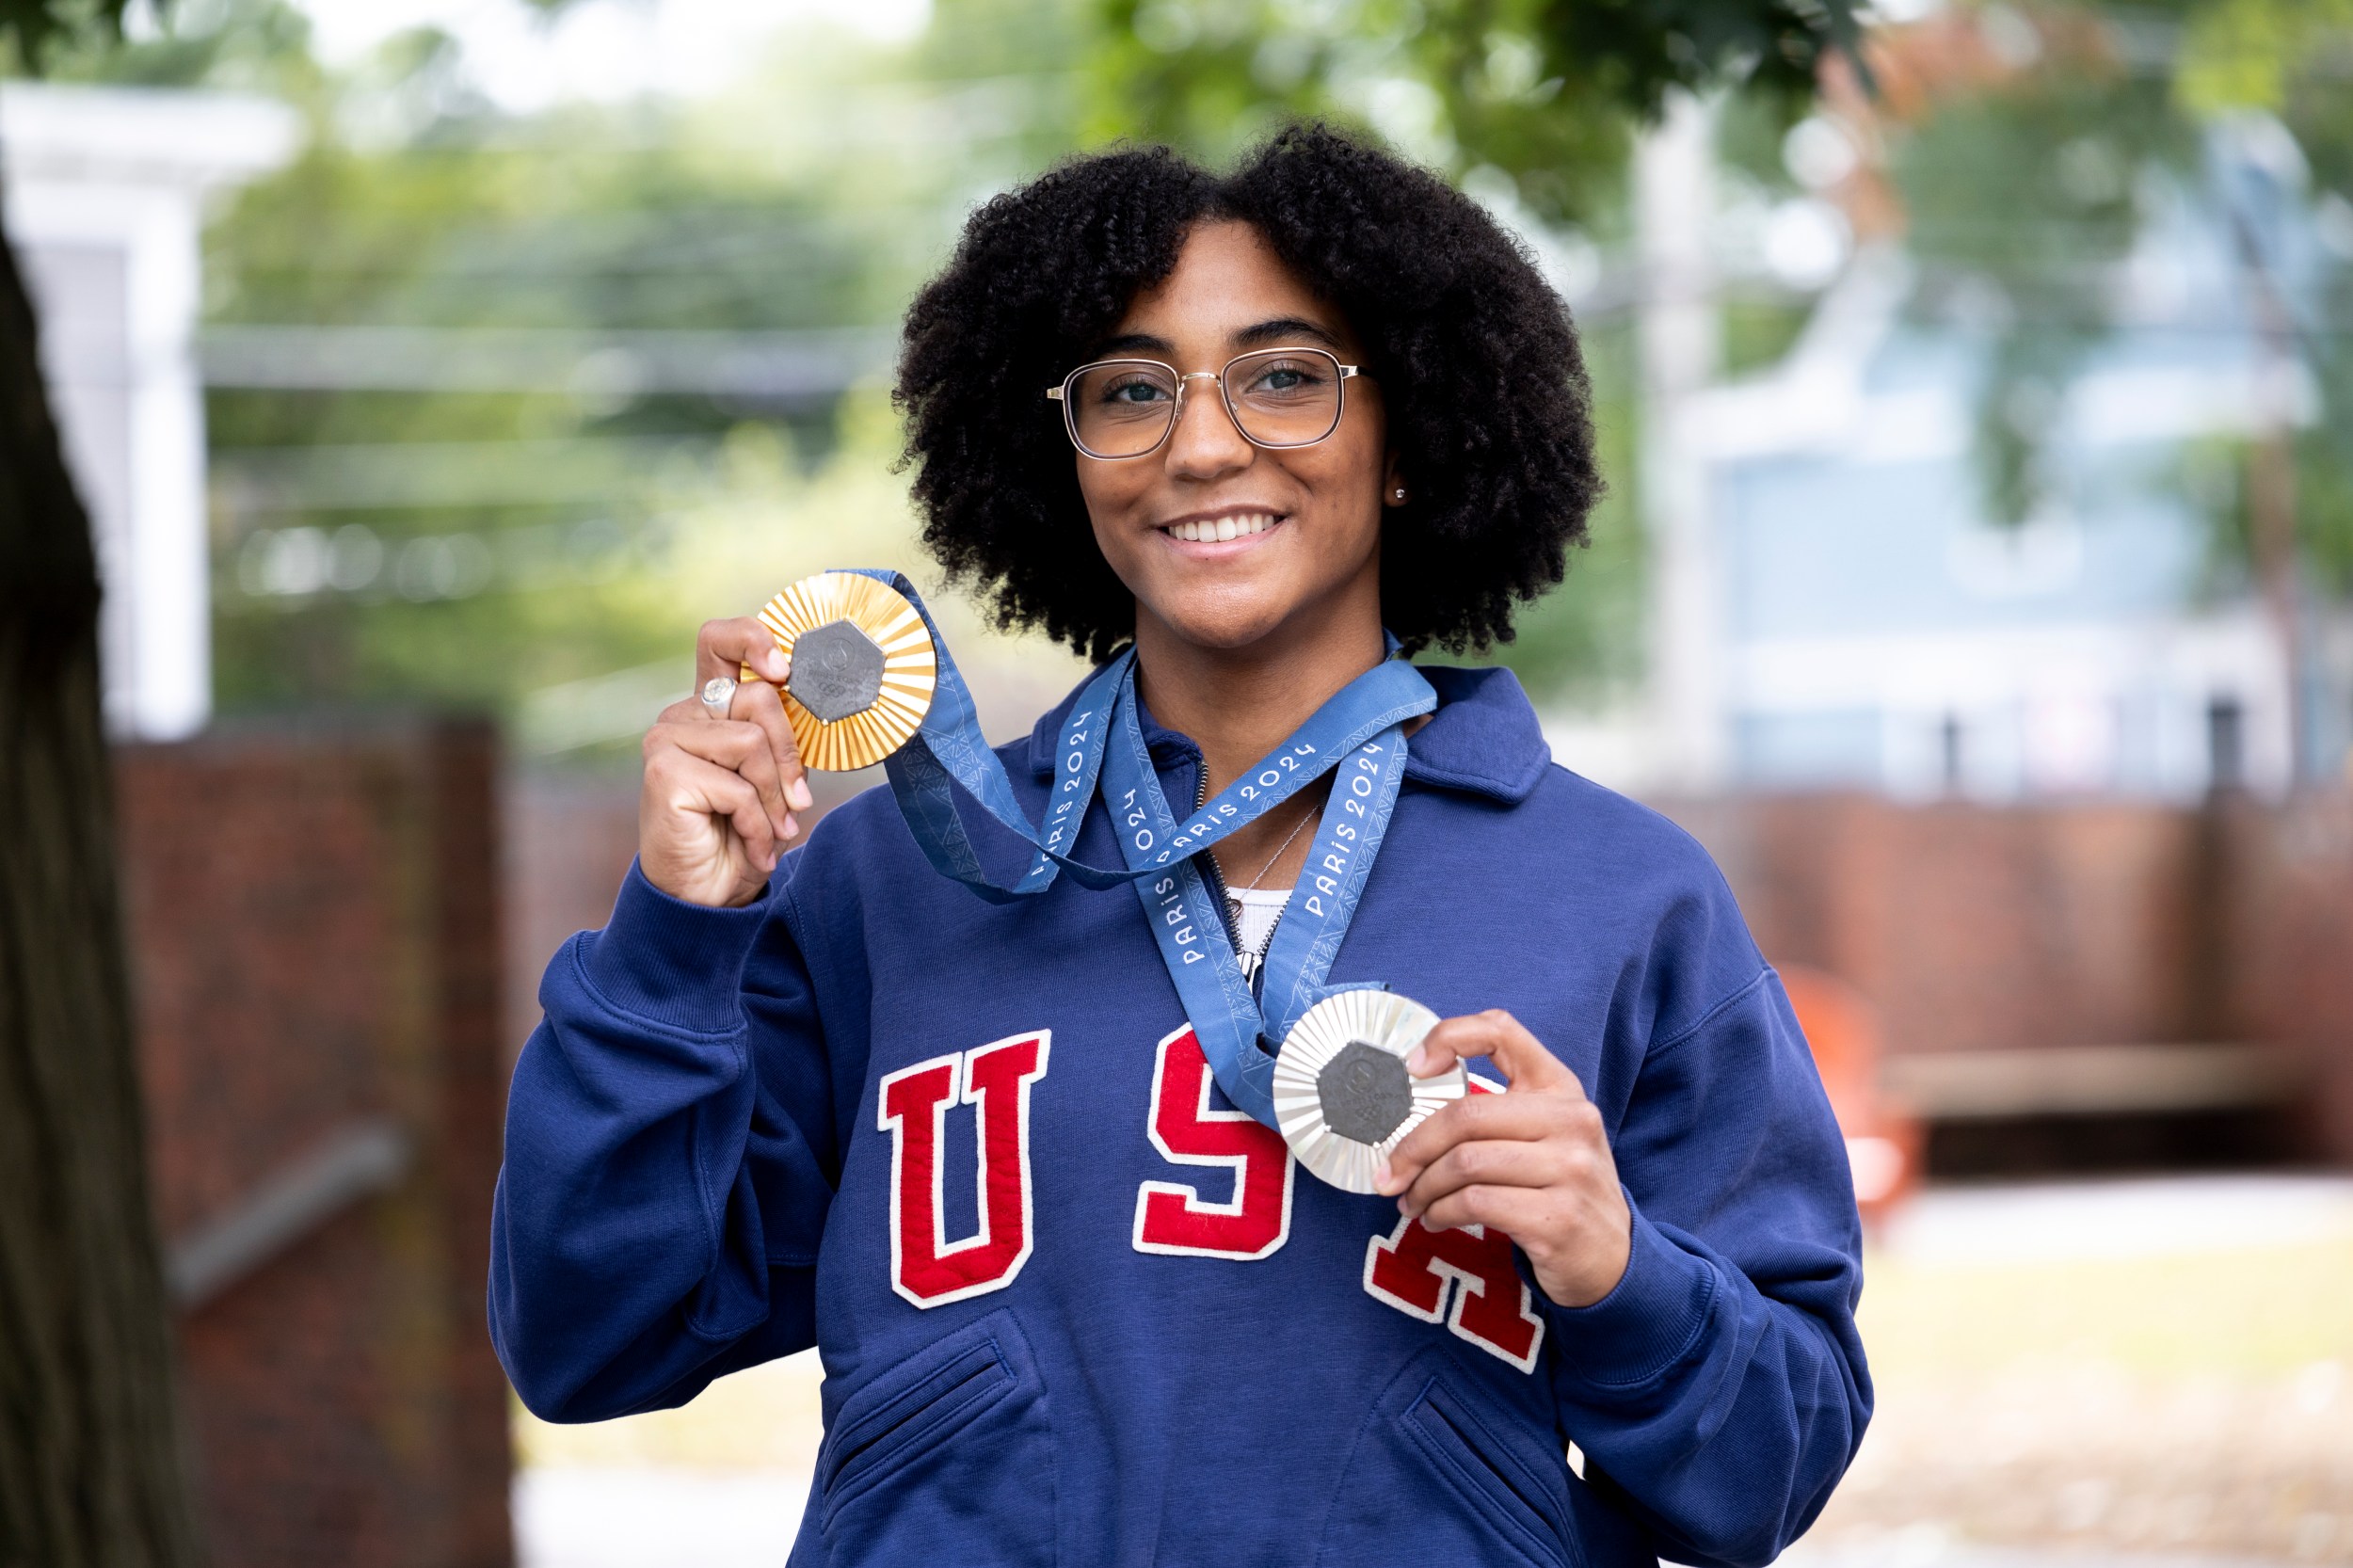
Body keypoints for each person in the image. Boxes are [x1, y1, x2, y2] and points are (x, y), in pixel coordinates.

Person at [490, 125, 1870, 1568]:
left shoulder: (1623, 897)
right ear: (1062, 456)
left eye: (1286, 376)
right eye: (1130, 390)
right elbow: (592, 1338)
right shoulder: (885, 881)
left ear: (1410, 435)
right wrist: (672, 938)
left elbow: (1767, 1476)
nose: (1204, 444)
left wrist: (1619, 1269)